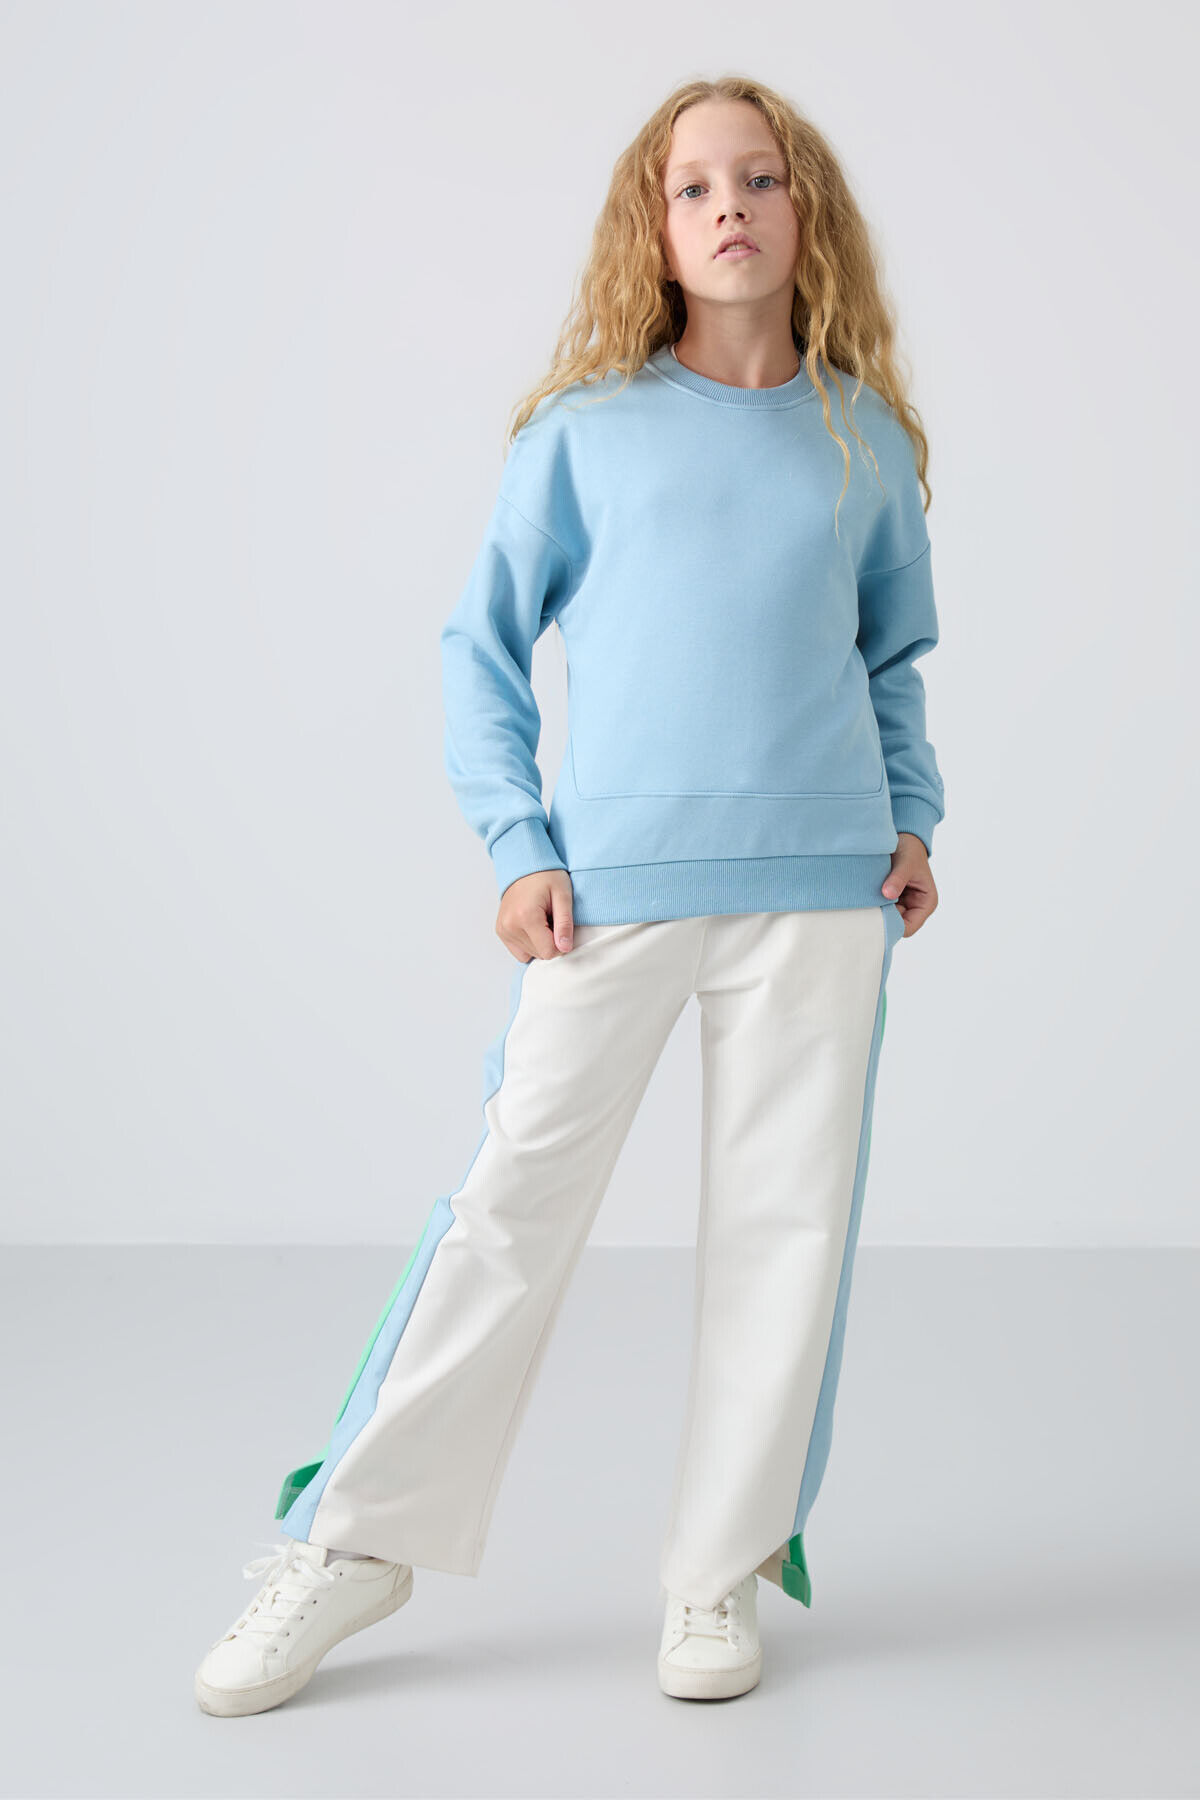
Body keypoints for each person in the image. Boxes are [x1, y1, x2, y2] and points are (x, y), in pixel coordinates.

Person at [195, 71, 946, 1717]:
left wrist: (914, 819)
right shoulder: (584, 435)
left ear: (806, 211)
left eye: (761, 178)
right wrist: (519, 845)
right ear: (653, 230)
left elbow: (891, 660)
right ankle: (355, 1539)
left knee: (786, 1230)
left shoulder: (864, 441)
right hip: (610, 892)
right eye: (695, 187)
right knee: (511, 1205)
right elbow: (479, 656)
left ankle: (718, 1569)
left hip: (823, 890)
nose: (731, 206)